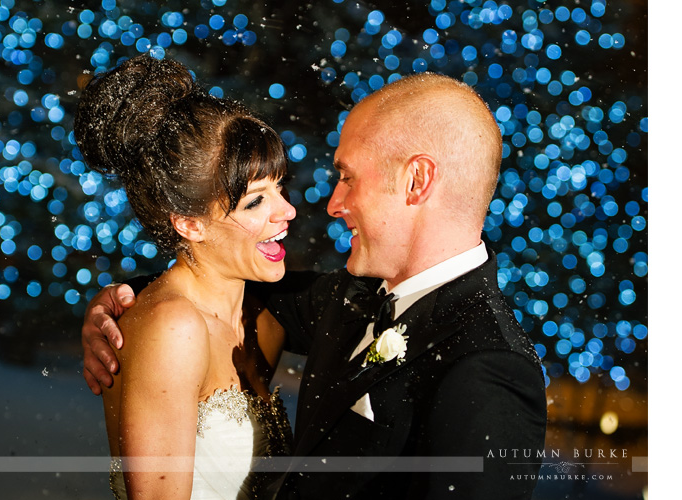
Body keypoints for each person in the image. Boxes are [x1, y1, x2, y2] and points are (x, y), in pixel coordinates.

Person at [82, 72, 547, 499]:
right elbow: (203, 286)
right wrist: (127, 301)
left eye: (347, 178)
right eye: (257, 199)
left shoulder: (488, 366)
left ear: (416, 180)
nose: (329, 204)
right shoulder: (344, 300)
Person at [73, 54, 296, 500]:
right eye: (255, 202)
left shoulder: (261, 316)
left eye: (280, 187)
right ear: (189, 224)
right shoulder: (174, 329)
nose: (287, 211)